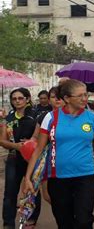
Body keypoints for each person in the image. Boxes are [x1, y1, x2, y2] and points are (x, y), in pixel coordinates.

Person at [24, 79, 94, 229]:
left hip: (85, 176)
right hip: (58, 179)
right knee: (64, 222)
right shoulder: (51, 118)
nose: (85, 99)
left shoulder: (92, 118)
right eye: (80, 96)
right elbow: (38, 149)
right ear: (67, 98)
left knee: (84, 220)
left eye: (86, 95)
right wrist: (28, 178)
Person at [0, 88, 41, 229]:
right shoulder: (8, 118)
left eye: (20, 98)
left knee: (32, 190)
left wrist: (30, 143)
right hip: (13, 158)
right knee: (10, 192)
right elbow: (2, 141)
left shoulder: (36, 116)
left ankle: (31, 219)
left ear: (27, 99)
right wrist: (17, 146)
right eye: (14, 99)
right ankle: (8, 223)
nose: (17, 101)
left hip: (32, 159)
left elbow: (41, 138)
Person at [32, 86, 65, 204]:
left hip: (65, 159)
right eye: (53, 97)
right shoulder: (45, 117)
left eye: (59, 97)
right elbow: (35, 137)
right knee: (48, 195)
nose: (57, 99)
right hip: (47, 159)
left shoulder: (73, 117)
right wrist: (28, 143)